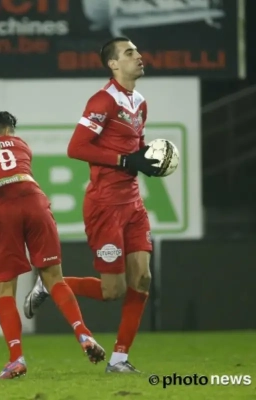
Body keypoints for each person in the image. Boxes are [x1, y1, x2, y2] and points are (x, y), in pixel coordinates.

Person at [24, 37, 160, 373]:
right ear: (113, 64)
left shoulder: (140, 102)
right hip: (105, 206)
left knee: (142, 279)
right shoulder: (103, 100)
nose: (139, 56)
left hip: (133, 204)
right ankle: (53, 284)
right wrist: (125, 160)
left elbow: (136, 147)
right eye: (129, 52)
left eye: (137, 51)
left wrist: (147, 159)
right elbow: (76, 148)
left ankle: (119, 359)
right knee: (113, 291)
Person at [0, 112, 105, 379]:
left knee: (4, 289)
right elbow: (11, 181)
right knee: (54, 278)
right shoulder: (22, 144)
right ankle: (84, 334)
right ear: (8, 130)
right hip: (35, 202)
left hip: (2, 211)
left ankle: (16, 359)